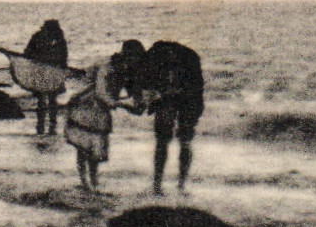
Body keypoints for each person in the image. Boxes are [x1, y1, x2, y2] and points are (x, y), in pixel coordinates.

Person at [119, 39, 205, 195]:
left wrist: (161, 94)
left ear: (139, 55)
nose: (128, 62)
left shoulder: (158, 59)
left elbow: (188, 85)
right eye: (126, 59)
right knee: (163, 138)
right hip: (169, 94)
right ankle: (159, 186)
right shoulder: (134, 70)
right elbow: (139, 105)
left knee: (183, 139)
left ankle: (180, 185)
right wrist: (122, 104)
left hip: (190, 93)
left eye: (130, 58)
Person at [64, 49, 130, 193]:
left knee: (96, 148)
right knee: (83, 146)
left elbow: (130, 91)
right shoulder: (105, 69)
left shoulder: (125, 71)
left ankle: (93, 180)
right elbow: (101, 93)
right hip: (85, 106)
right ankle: (85, 182)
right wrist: (120, 103)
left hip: (100, 111)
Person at [22, 19, 69, 135]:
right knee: (48, 98)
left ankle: (45, 123)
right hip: (46, 71)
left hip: (50, 71)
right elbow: (28, 52)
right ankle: (49, 123)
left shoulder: (56, 38)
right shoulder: (57, 38)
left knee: (46, 98)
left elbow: (27, 53)